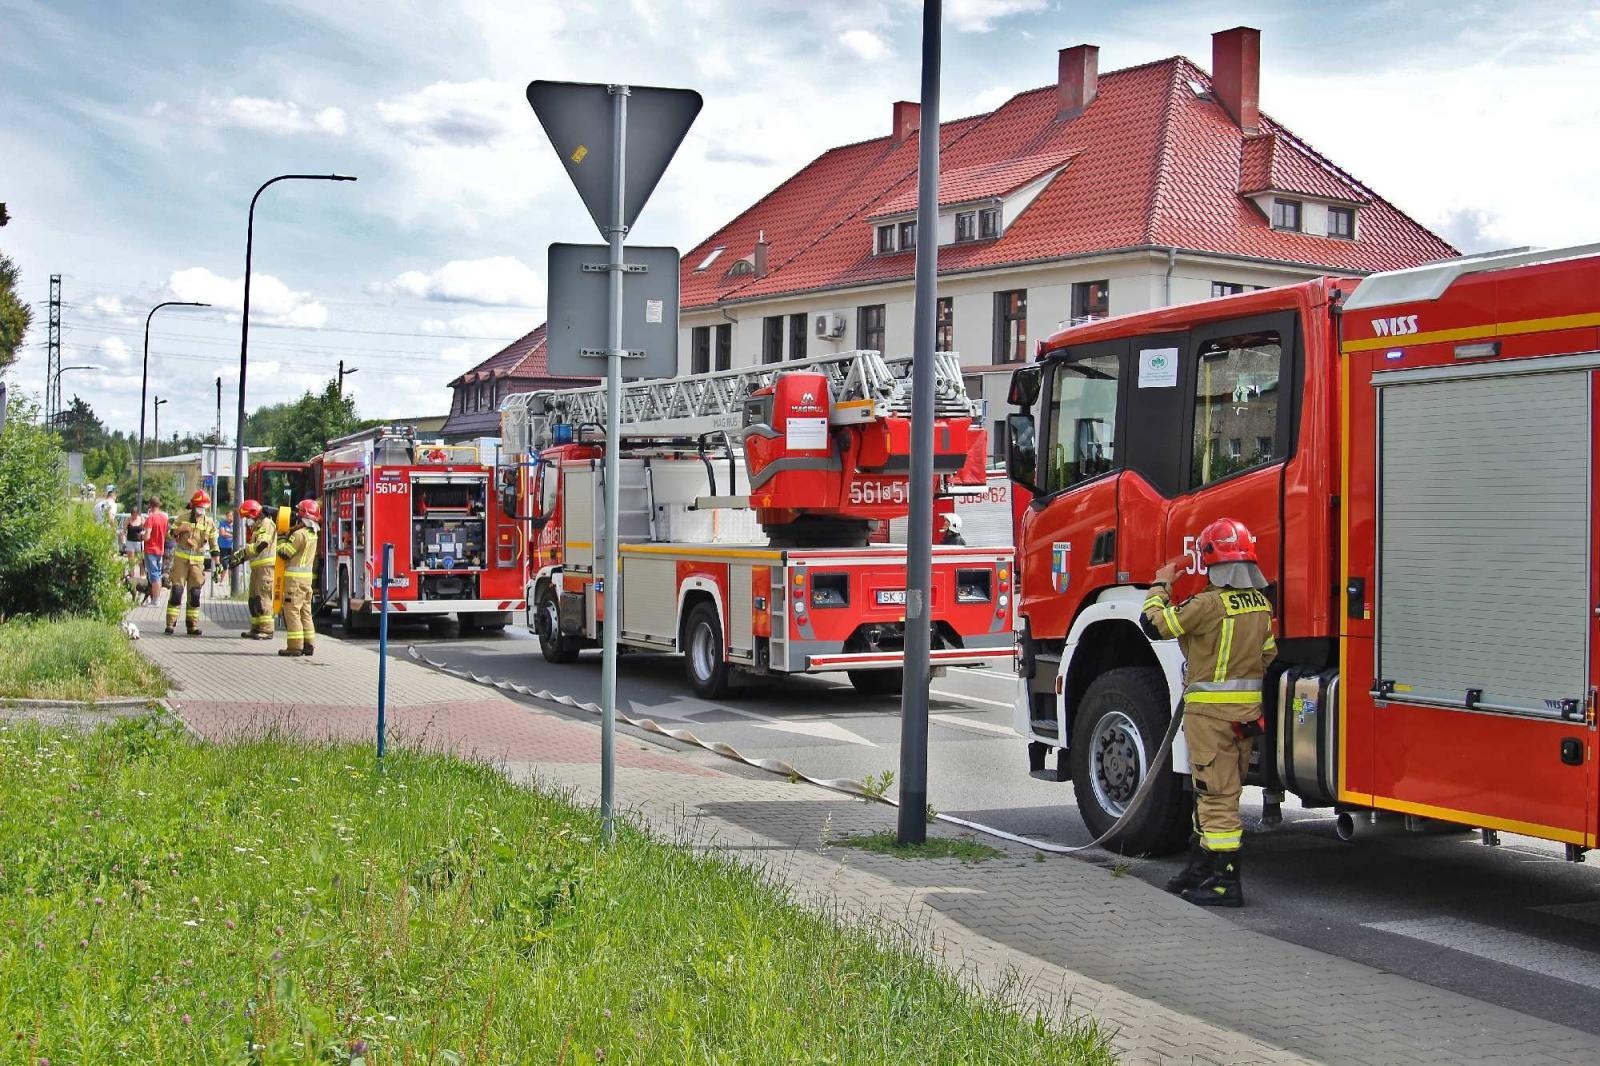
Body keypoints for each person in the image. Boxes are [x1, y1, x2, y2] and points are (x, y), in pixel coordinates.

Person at [1141, 517, 1276, 908]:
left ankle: (1224, 882)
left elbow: (1154, 625)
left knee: (1216, 797)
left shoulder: (1206, 605)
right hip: (1245, 717)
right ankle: (1200, 868)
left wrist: (1161, 584)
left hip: (1210, 717)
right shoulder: (1261, 604)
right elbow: (1268, 654)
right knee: (1215, 790)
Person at [165, 490, 221, 636]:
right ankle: (170, 624)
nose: (202, 509)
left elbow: (214, 545)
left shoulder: (209, 523)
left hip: (197, 564)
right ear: (194, 506)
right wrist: (179, 529)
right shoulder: (182, 518)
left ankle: (192, 626)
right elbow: (169, 535)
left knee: (195, 594)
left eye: (204, 507)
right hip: (181, 561)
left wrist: (217, 564)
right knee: (177, 592)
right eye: (200, 507)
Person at [276, 498, 321, 657]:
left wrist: (281, 538)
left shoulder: (299, 535)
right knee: (305, 612)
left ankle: (295, 646)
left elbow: (284, 553)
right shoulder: (313, 534)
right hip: (306, 582)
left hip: (294, 582)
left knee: (292, 611)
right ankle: (309, 644)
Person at [232, 500, 277, 639]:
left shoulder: (266, 524)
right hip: (257, 569)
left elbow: (261, 545)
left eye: (247, 517)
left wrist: (243, 552)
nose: (247, 520)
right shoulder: (257, 526)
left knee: (263, 598)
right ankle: (256, 628)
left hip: (265, 569)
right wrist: (239, 559)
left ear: (254, 514)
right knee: (254, 600)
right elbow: (252, 550)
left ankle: (267, 630)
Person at [142, 497, 170, 606]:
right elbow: (166, 533)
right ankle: (157, 599)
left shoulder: (150, 518)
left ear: (150, 505)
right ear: (159, 505)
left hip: (150, 549)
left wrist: (141, 536)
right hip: (160, 549)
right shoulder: (164, 518)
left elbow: (147, 536)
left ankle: (155, 600)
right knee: (157, 573)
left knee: (154, 575)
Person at [215, 514, 235, 588]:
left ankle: (231, 582)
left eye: (231, 516)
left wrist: (229, 534)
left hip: (232, 547)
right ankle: (221, 581)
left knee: (232, 565)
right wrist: (233, 535)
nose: (229, 518)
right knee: (224, 565)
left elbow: (239, 534)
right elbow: (222, 533)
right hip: (223, 547)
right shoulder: (223, 523)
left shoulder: (235, 524)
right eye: (228, 516)